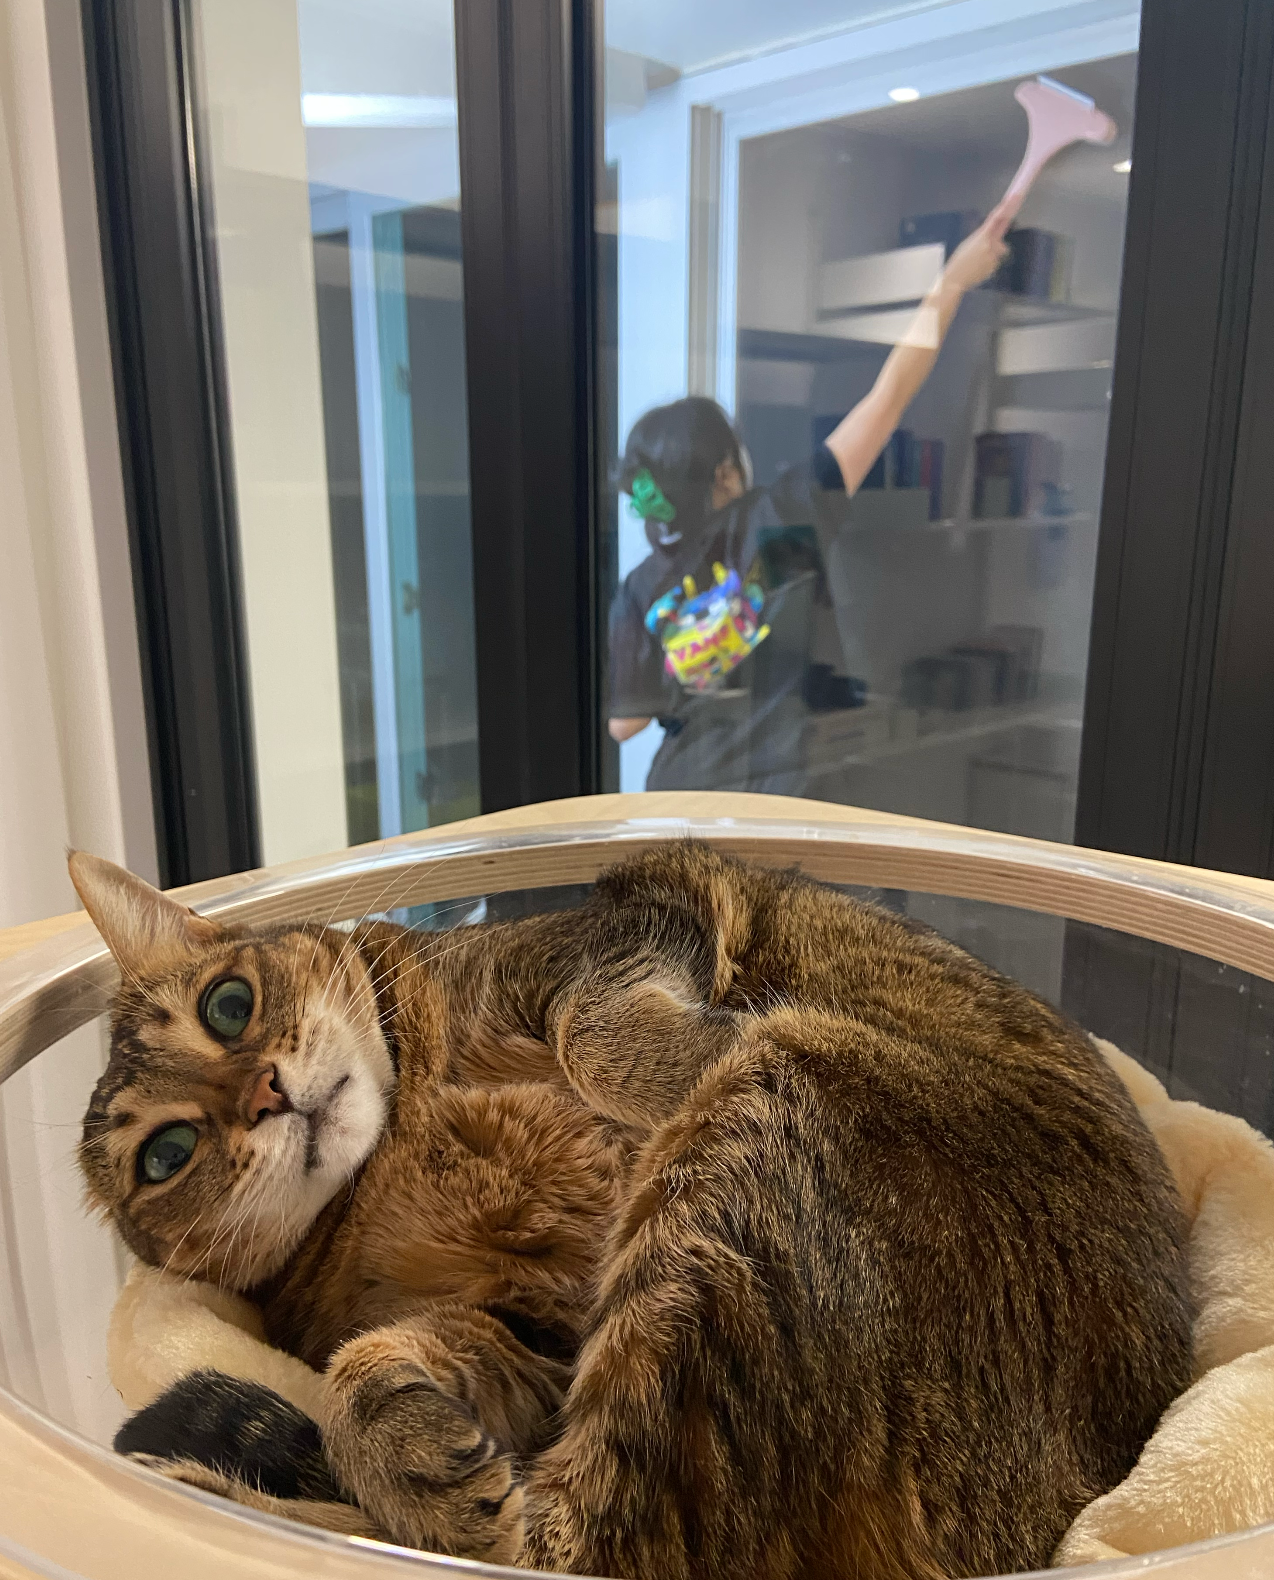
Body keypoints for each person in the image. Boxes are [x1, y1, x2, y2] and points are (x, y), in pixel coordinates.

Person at [607, 200, 1014, 794]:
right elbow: (888, 398)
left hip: (681, 795)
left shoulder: (641, 587)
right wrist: (951, 282)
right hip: (780, 791)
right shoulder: (782, 518)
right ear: (725, 472)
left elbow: (625, 725)